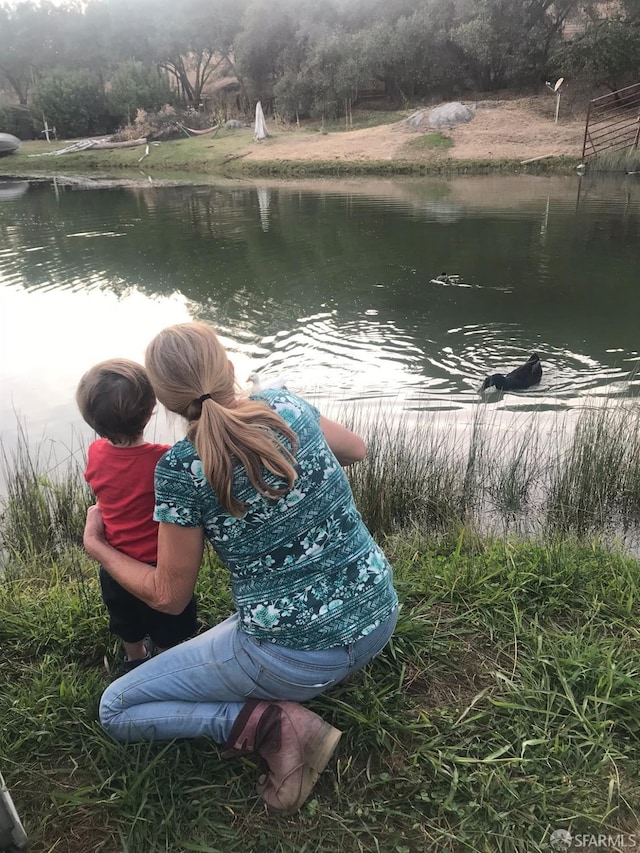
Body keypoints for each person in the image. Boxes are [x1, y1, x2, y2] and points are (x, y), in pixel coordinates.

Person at [82, 322, 399, 814]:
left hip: (296, 657)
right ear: (228, 368)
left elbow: (169, 597)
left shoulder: (183, 469)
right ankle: (306, 686)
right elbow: (355, 450)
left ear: (166, 405)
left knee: (116, 708)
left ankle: (273, 727)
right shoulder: (285, 405)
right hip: (378, 614)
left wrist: (97, 546)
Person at [76, 358, 198, 672]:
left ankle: (134, 659)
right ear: (150, 409)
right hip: (161, 564)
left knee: (125, 618)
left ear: (93, 420)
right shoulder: (165, 459)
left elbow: (100, 493)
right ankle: (165, 661)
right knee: (168, 624)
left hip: (116, 563)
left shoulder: (95, 454)